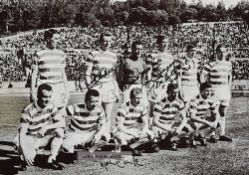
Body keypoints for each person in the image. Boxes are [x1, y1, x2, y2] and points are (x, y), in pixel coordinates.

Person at [13, 84, 65, 170]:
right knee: (28, 158)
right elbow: (22, 134)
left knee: (60, 131)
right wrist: (25, 152)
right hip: (27, 138)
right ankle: (22, 157)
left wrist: (46, 127)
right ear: (38, 96)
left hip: (40, 138)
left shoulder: (51, 106)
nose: (47, 100)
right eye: (45, 97)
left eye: (49, 97)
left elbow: (62, 123)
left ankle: (51, 159)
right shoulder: (28, 110)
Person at [85, 33, 120, 135]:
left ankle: (105, 135)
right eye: (105, 41)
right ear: (100, 42)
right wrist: (89, 87)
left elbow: (113, 76)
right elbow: (87, 72)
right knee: (95, 113)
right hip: (96, 87)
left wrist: (116, 90)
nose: (107, 43)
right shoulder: (93, 54)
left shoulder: (114, 56)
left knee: (108, 115)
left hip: (109, 86)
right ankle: (92, 135)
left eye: (109, 41)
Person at [62, 89, 110, 162]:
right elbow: (60, 115)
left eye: (97, 101)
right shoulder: (76, 107)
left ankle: (90, 152)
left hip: (88, 134)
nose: (95, 104)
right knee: (66, 152)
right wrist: (63, 128)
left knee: (105, 136)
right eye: (92, 101)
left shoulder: (99, 110)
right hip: (74, 134)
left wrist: (98, 135)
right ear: (86, 100)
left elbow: (104, 124)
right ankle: (74, 146)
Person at [31, 29, 69, 110]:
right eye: (55, 39)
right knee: (44, 117)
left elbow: (63, 74)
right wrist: (32, 92)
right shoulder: (39, 54)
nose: (58, 41)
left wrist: (67, 91)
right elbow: (34, 75)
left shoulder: (61, 54)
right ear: (48, 39)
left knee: (60, 117)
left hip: (59, 88)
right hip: (45, 89)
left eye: (58, 39)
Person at [201, 44, 233, 142]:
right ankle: (212, 135)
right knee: (215, 114)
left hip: (225, 90)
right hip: (215, 90)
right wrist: (204, 88)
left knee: (223, 113)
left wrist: (229, 89)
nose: (222, 53)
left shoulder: (228, 64)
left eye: (224, 51)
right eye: (220, 51)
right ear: (216, 52)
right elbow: (202, 75)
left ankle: (222, 134)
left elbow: (230, 76)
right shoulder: (211, 64)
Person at [114, 87, 155, 155]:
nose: (138, 100)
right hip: (123, 130)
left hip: (133, 129)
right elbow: (119, 126)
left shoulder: (142, 106)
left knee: (151, 134)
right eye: (137, 98)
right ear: (131, 97)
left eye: (140, 98)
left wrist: (143, 131)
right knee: (120, 138)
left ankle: (131, 147)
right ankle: (134, 146)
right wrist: (132, 133)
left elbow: (146, 123)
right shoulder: (123, 107)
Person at [152, 83, 187, 151]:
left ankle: (168, 140)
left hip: (170, 126)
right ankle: (168, 141)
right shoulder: (160, 103)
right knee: (157, 135)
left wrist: (179, 128)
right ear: (167, 92)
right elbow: (155, 121)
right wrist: (168, 129)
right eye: (172, 93)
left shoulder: (179, 102)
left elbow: (184, 118)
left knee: (187, 129)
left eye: (176, 93)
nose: (174, 95)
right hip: (160, 126)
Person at [187, 82, 220, 146]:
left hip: (200, 121)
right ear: (201, 91)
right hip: (191, 122)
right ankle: (191, 137)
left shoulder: (210, 100)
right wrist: (208, 123)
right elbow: (192, 117)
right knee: (195, 125)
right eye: (207, 91)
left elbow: (216, 113)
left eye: (210, 91)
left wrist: (215, 122)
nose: (209, 93)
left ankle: (201, 136)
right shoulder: (195, 99)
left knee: (218, 123)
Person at [121, 41, 150, 107]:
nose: (138, 51)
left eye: (140, 49)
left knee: (142, 107)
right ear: (132, 49)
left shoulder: (143, 62)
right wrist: (123, 86)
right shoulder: (126, 61)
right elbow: (120, 75)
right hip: (128, 87)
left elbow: (144, 75)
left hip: (139, 86)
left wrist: (143, 85)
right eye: (137, 49)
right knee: (127, 107)